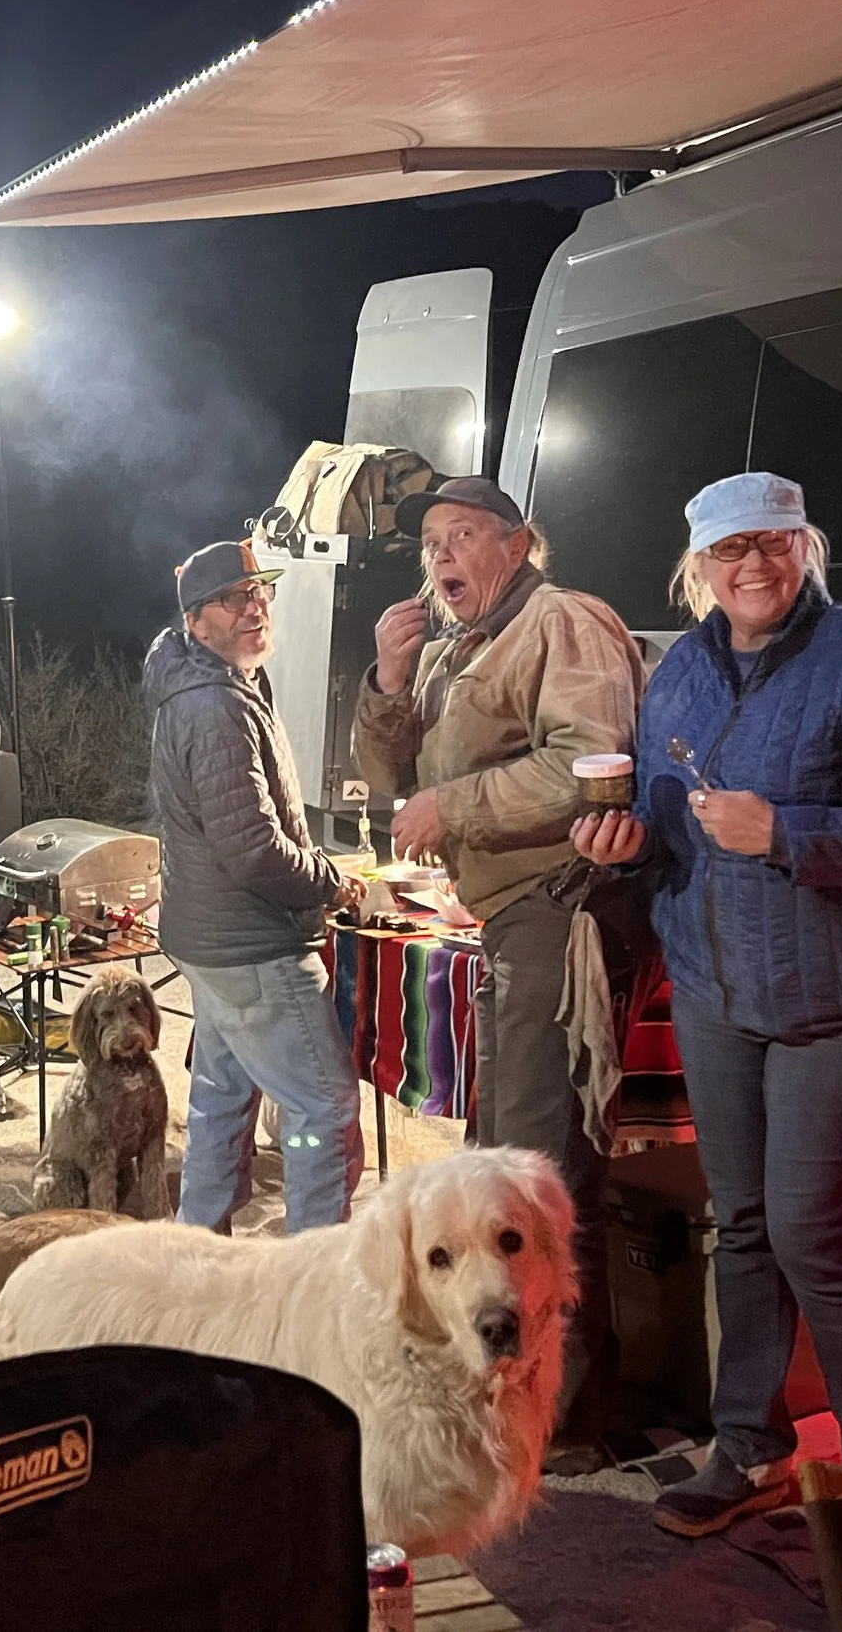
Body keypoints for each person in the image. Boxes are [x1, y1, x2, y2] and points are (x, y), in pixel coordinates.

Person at [571, 471, 842, 1533]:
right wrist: (625, 843)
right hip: (718, 986)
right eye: (730, 548)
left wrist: (789, 832)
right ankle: (749, 1449)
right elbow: (666, 819)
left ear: (805, 548)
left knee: (811, 1232)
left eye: (772, 542)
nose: (752, 564)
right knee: (742, 1224)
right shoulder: (681, 672)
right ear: (698, 565)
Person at [350, 475, 646, 1474]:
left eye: (464, 534)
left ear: (518, 544)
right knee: (503, 1156)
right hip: (507, 918)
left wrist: (457, 806)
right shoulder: (451, 648)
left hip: (564, 911)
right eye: (431, 540)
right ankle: (518, 1381)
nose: (441, 554)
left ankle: (565, 1414)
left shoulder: (562, 622)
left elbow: (593, 762)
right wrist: (388, 681)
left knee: (538, 1171)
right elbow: (390, 782)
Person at [146, 538, 366, 1234]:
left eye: (259, 592)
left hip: (211, 941)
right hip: (252, 945)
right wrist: (333, 883)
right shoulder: (216, 705)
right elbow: (251, 850)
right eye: (231, 599)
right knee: (322, 1109)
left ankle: (198, 1255)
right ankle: (316, 1270)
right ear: (195, 621)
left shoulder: (212, 685)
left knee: (221, 1096)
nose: (254, 607)